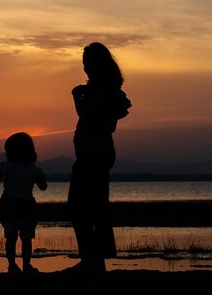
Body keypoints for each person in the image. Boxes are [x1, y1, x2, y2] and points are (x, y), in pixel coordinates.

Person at [66, 42, 132, 274]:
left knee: (79, 206)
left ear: (97, 65)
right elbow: (118, 111)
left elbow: (90, 116)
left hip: (94, 154)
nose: (85, 68)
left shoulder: (103, 89)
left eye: (87, 64)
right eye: (83, 64)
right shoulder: (104, 88)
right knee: (93, 206)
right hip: (96, 152)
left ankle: (91, 259)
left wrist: (76, 97)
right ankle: (95, 260)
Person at [0, 132, 48, 274]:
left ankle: (12, 265)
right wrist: (43, 177)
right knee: (26, 239)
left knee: (11, 238)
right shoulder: (34, 169)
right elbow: (43, 187)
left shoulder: (7, 167)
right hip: (27, 207)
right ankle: (26, 266)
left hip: (9, 206)